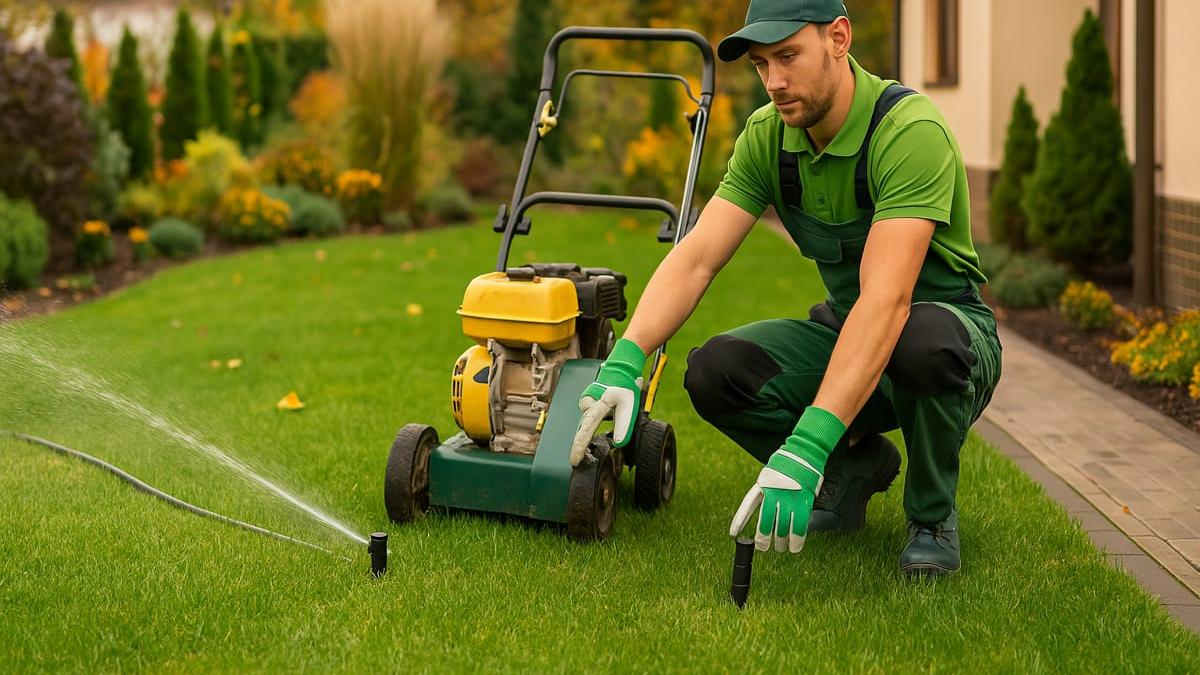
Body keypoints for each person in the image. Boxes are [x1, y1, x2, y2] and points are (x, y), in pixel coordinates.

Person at [569, 0, 1002, 577]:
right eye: (760, 65)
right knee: (715, 370)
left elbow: (888, 301)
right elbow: (697, 257)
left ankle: (930, 516)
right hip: (849, 330)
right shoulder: (770, 137)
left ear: (839, 38)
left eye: (789, 56)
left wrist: (808, 441)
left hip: (947, 337)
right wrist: (627, 359)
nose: (774, 81)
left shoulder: (907, 133)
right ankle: (849, 473)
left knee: (920, 339)